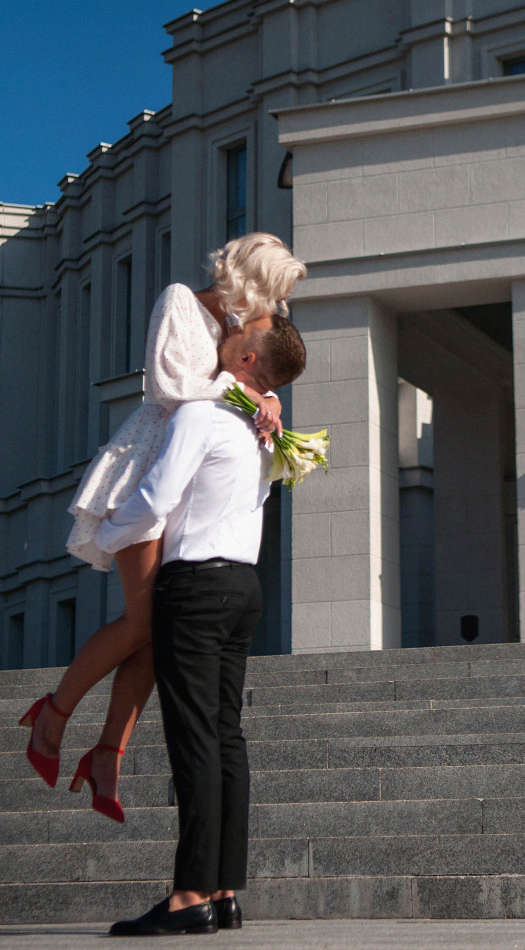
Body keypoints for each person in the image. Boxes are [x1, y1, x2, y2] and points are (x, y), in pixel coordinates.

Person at [19, 232, 306, 822]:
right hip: (149, 468)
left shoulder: (239, 332)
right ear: (251, 281)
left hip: (189, 481)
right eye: (274, 295)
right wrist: (250, 394)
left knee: (161, 626)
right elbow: (170, 387)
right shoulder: (182, 300)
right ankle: (55, 713)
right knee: (145, 617)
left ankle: (108, 751)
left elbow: (239, 385)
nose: (276, 310)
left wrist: (265, 399)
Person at [99, 314, 306, 936]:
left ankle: (190, 895)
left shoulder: (201, 415)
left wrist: (104, 535)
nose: (234, 323)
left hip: (196, 585)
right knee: (224, 736)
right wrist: (267, 401)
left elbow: (157, 498)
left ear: (245, 360)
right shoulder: (257, 428)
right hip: (242, 585)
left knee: (196, 739)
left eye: (246, 328)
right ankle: (222, 891)